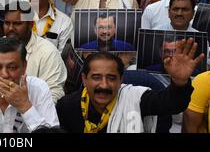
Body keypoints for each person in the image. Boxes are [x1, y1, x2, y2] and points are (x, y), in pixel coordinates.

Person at [56, 43, 204, 133]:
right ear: (84, 79)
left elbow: (171, 103)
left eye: (111, 78)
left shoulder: (135, 99)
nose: (104, 85)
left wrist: (179, 81)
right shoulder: (66, 106)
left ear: (121, 79)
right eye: (96, 77)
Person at [0, 2, 67, 103]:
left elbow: (54, 94)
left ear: (30, 25)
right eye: (7, 23)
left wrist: (25, 107)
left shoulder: (48, 52)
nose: (10, 28)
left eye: (17, 24)